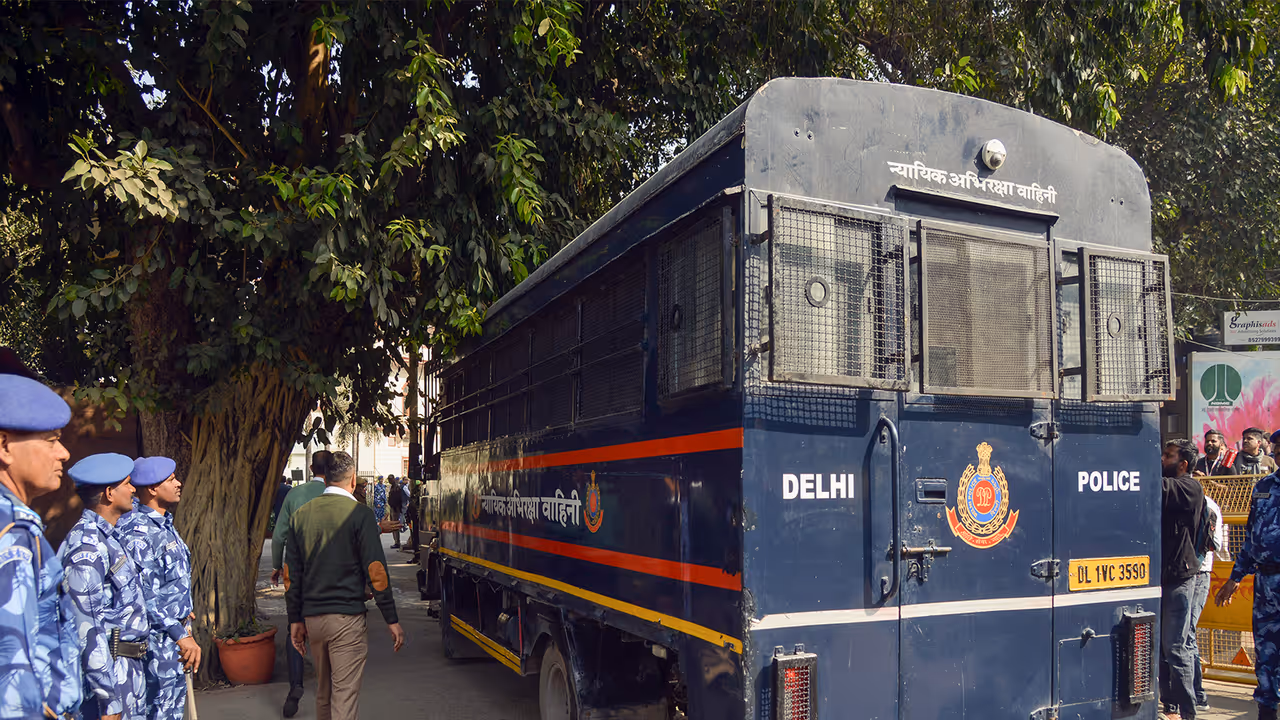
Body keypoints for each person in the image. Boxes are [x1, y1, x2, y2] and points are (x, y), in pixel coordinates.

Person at [283, 451, 404, 720]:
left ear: (325, 478)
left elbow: (292, 575)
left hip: (313, 619)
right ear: (352, 480)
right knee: (344, 697)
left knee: (324, 695)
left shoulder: (301, 515)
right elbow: (376, 571)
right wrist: (391, 618)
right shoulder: (360, 515)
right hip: (346, 619)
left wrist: (295, 620)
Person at [0, 374, 82, 719]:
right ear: (4, 446)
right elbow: (12, 676)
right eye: (51, 441)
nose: (63, 453)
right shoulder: (13, 535)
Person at [60, 453, 150, 720]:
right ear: (109, 493)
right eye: (127, 483)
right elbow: (87, 626)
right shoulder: (87, 546)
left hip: (128, 670)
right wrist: (108, 700)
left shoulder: (108, 536)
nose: (134, 489)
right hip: (108, 680)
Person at [115, 456, 199, 720]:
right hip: (158, 641)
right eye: (171, 479)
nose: (178, 483)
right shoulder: (138, 531)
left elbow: (167, 580)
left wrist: (184, 608)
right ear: (152, 489)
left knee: (172, 710)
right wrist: (179, 633)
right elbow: (142, 594)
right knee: (159, 712)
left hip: (174, 635)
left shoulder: (162, 523)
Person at [1216, 441, 1280, 720]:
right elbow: (1252, 538)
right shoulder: (1264, 487)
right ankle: (1267, 710)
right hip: (1267, 583)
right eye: (1278, 450)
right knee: (1266, 651)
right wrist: (1235, 577)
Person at [271, 449, 333, 717]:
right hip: (331, 573)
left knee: (295, 624)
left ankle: (295, 685)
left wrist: (276, 565)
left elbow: (278, 536)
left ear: (310, 467)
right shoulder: (338, 495)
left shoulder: (295, 495)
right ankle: (327, 687)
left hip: (296, 571)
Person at [1161, 439, 1204, 720]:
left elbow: (1156, 486)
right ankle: (1170, 707)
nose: (1162, 459)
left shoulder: (1189, 486)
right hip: (1163, 576)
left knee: (1176, 648)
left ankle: (1188, 711)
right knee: (1161, 648)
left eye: (1167, 456)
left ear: (1183, 464)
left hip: (1180, 576)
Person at [1189, 492, 1225, 711]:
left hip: (1199, 573)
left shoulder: (1208, 504)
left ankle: (1198, 694)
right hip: (1175, 573)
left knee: (1187, 633)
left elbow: (1217, 544)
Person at [387, 475, 404, 549]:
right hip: (392, 508)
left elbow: (398, 499)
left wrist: (398, 508)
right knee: (393, 525)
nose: (390, 481)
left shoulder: (397, 487)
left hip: (395, 508)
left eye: (390, 479)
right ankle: (396, 541)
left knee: (395, 525)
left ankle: (397, 542)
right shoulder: (392, 487)